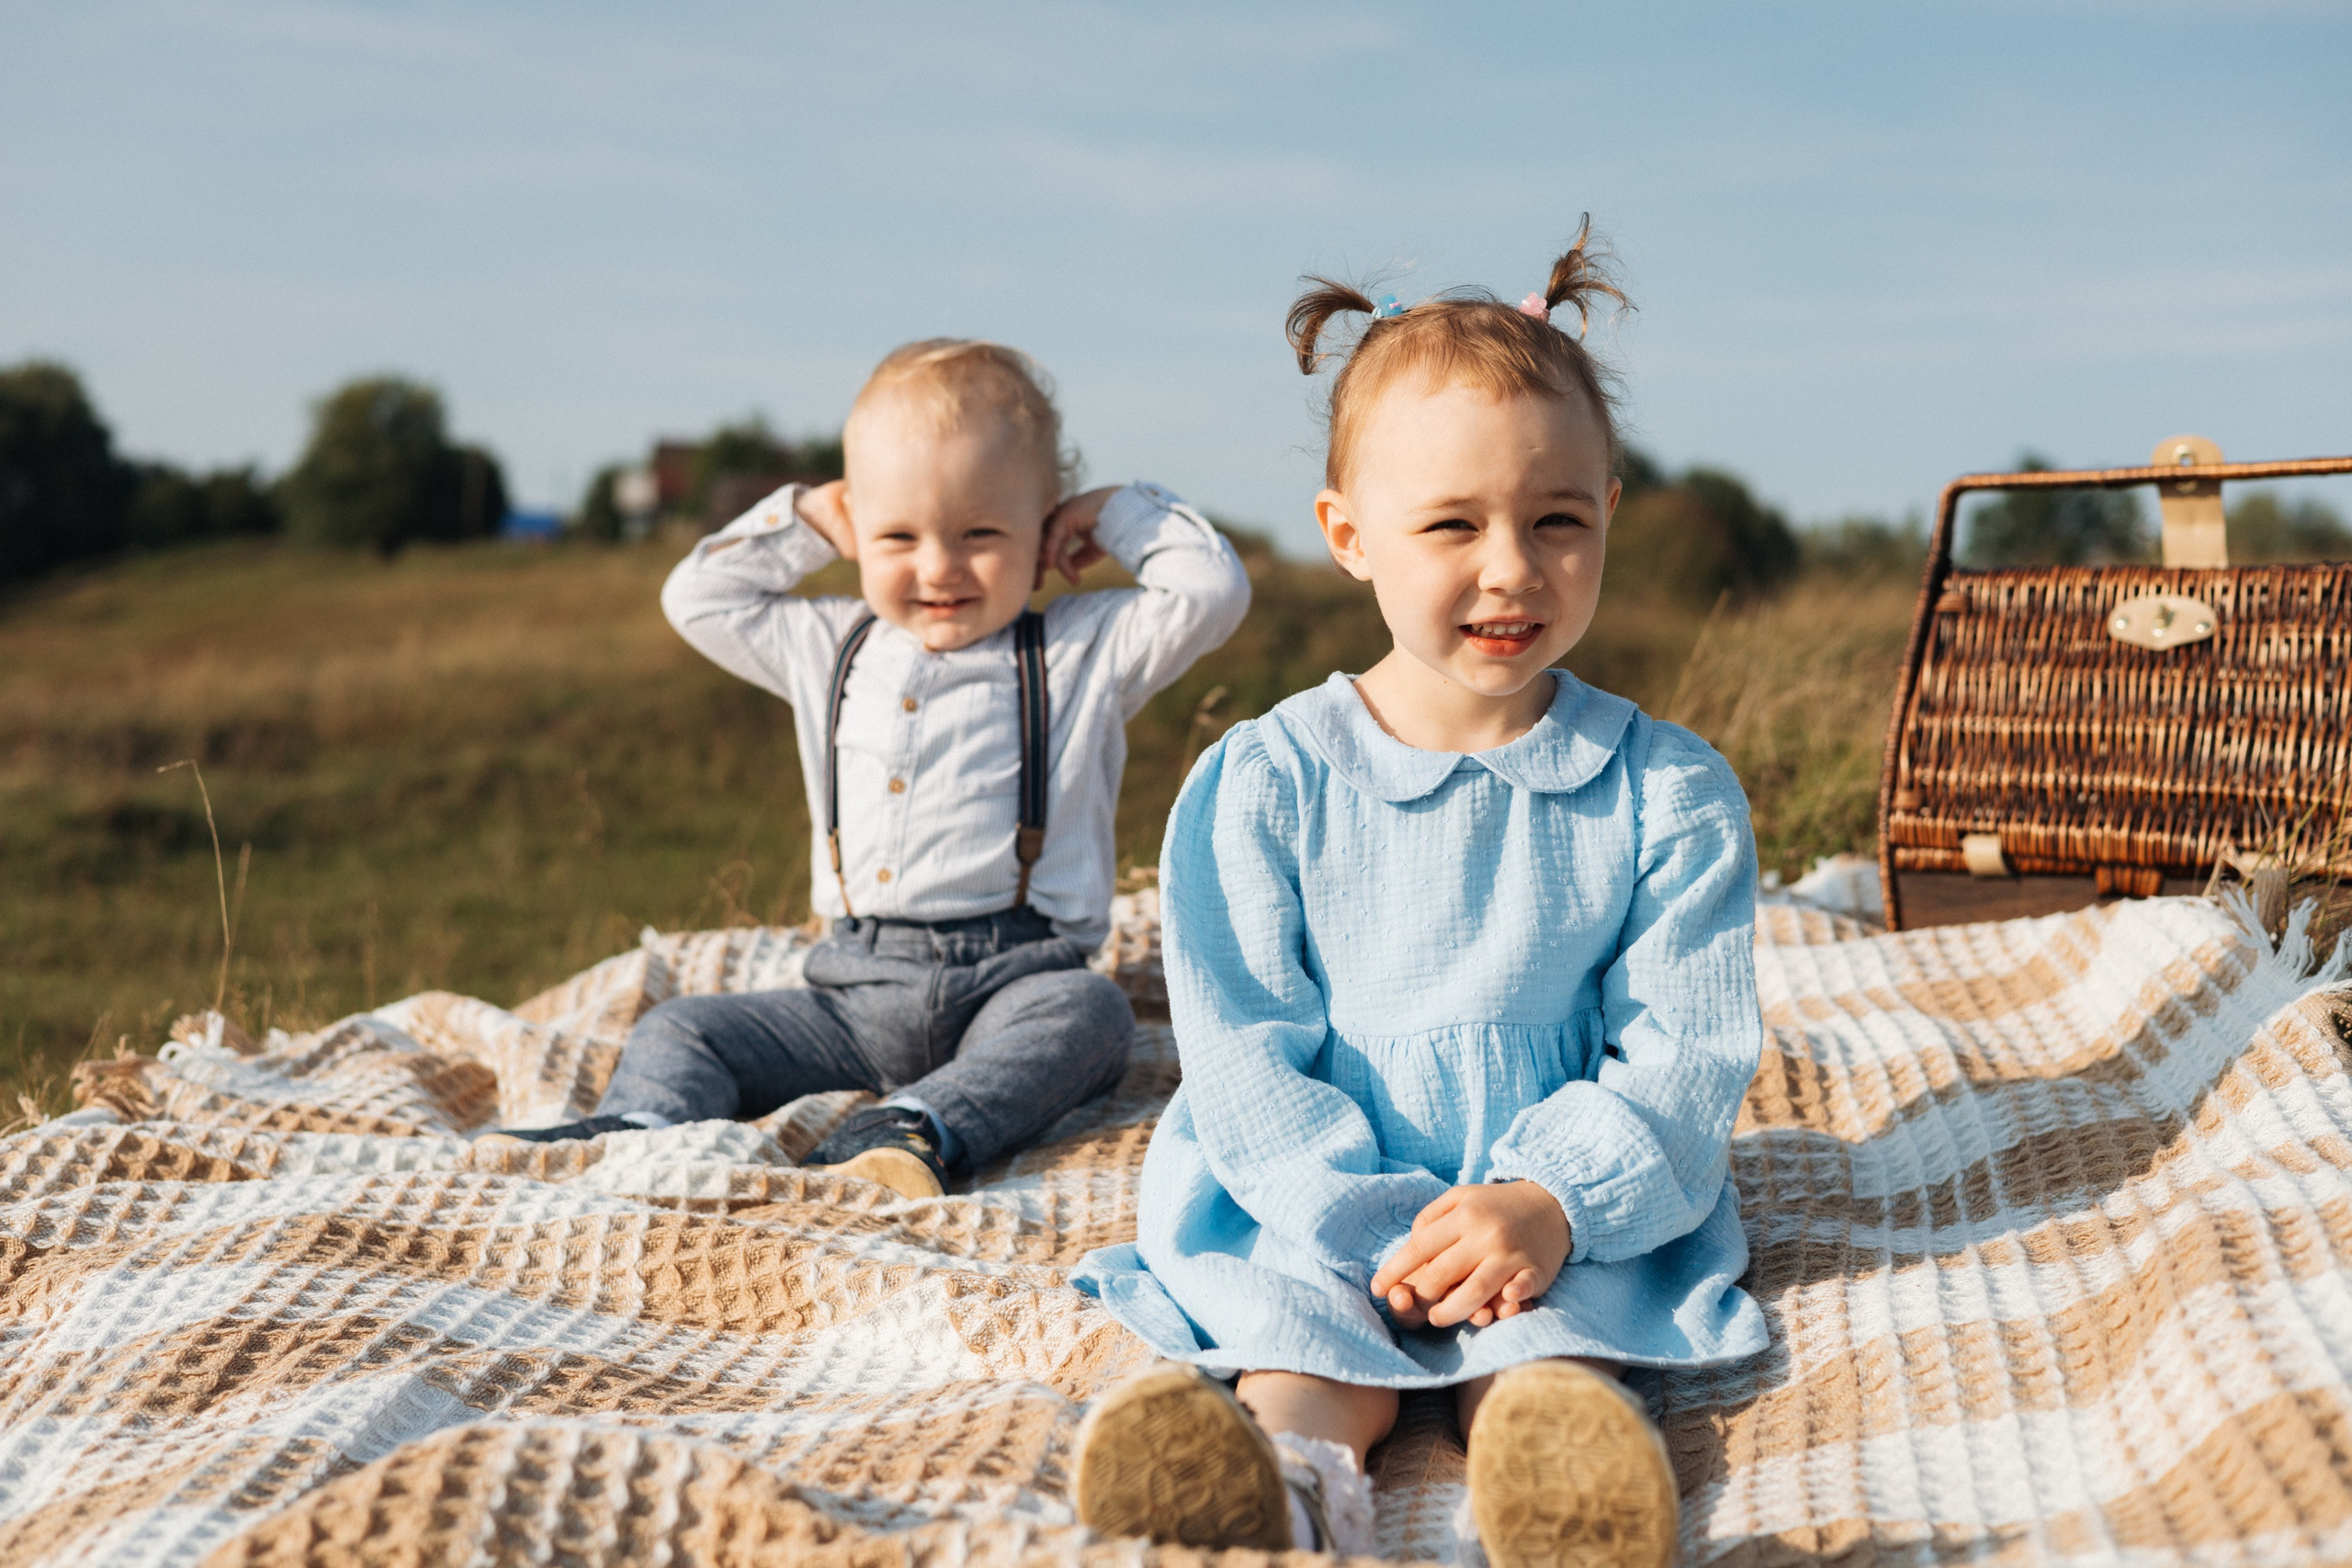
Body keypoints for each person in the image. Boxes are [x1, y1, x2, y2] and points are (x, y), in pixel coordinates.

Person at [1067, 230, 1768, 1568]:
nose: (1511, 565)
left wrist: (1554, 1200)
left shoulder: (1666, 789)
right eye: (1452, 523)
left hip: (1563, 1194)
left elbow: (1685, 1052)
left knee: (1554, 1349)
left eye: (1557, 518)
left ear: (1607, 511)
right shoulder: (1263, 782)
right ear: (1350, 536)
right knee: (1302, 1343)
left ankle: (1558, 1480)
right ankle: (1276, 1486)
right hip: (1316, 1183)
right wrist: (1366, 1220)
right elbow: (1241, 1051)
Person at [485, 340, 1251, 1199]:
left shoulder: (1077, 649)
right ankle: (639, 1129)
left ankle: (913, 1126)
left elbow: (1209, 592)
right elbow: (696, 597)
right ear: (857, 529)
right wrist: (810, 515)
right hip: (848, 995)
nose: (937, 567)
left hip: (1015, 980)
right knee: (682, 1026)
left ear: (1043, 534)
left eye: (981, 533)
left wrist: (1113, 511)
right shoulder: (829, 645)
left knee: (1095, 1018)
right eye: (899, 534)